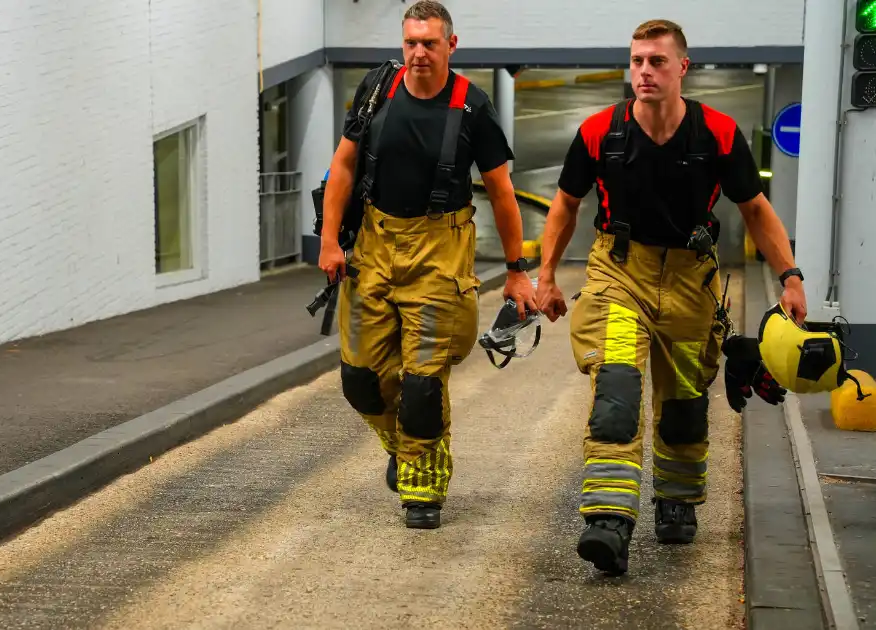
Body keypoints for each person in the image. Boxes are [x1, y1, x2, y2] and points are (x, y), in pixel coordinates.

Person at [533, 19, 807, 574]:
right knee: (616, 385)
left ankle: (677, 499)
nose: (644, 71)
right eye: (636, 61)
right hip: (619, 271)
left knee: (684, 398)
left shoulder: (719, 135)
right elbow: (564, 204)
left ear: (683, 67)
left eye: (657, 61)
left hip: (691, 279)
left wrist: (791, 277)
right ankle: (608, 519)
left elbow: (756, 209)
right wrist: (545, 276)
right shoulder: (598, 133)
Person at [318, 0, 536, 530]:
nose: (418, 53)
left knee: (421, 384)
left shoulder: (472, 107)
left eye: (430, 43)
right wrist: (328, 241)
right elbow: (344, 165)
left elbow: (504, 195)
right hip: (372, 246)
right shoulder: (376, 89)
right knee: (359, 381)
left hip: (439, 252)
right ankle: (409, 450)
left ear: (450, 46)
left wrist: (516, 269)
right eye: (411, 42)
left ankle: (424, 489)